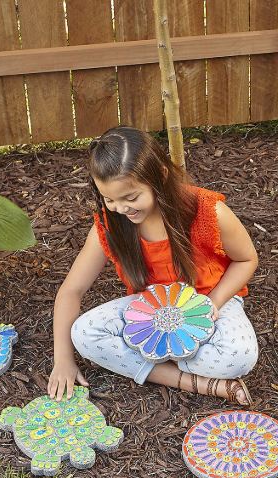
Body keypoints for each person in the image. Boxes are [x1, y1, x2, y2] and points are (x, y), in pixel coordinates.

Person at [47, 126, 259, 405]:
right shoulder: (110, 226)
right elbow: (71, 290)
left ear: (160, 175)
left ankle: (152, 364)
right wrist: (62, 358)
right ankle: (201, 384)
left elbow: (247, 259)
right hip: (149, 314)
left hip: (209, 299)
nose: (121, 208)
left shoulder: (206, 212)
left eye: (131, 197)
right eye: (109, 199)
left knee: (239, 356)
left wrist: (214, 304)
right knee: (84, 334)